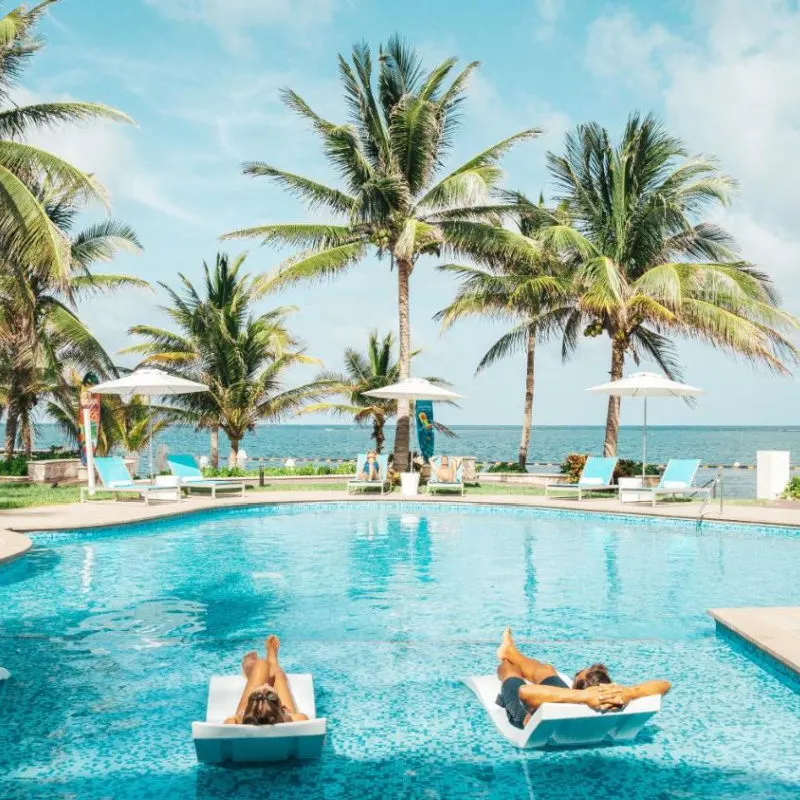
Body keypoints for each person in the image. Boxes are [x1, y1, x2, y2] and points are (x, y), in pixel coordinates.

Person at [495, 627, 671, 729]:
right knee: (547, 670)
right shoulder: (610, 699)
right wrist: (632, 692)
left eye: (576, 675)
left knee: (510, 672)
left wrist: (586, 697)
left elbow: (524, 691)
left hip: (523, 714)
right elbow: (664, 685)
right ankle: (511, 651)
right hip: (577, 699)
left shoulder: (580, 699)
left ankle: (507, 658)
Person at [224, 635, 309, 725]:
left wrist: (238, 717)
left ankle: (253, 671)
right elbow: (298, 717)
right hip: (281, 717)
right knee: (277, 675)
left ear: (246, 711)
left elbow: (231, 722)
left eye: (256, 694)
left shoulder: (234, 722)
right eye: (271, 695)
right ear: (283, 708)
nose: (266, 685)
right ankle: (273, 663)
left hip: (251, 718)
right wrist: (288, 715)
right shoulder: (299, 720)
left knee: (261, 664)